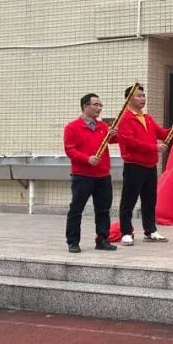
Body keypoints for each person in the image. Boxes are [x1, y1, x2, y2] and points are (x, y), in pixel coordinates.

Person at [116, 85, 173, 246]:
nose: (143, 99)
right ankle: (126, 232)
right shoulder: (124, 119)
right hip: (134, 165)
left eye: (144, 96)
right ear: (129, 99)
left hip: (150, 165)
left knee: (150, 200)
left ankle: (150, 230)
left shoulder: (147, 118)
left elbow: (163, 134)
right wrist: (154, 147)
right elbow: (131, 143)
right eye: (139, 96)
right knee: (128, 201)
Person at [63, 94, 119, 254]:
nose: (99, 108)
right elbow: (70, 150)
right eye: (96, 105)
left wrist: (116, 133)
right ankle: (73, 242)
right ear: (85, 106)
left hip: (102, 175)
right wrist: (87, 159)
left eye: (100, 105)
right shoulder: (72, 127)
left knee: (103, 210)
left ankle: (102, 239)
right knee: (76, 209)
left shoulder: (102, 127)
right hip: (83, 175)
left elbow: (115, 140)